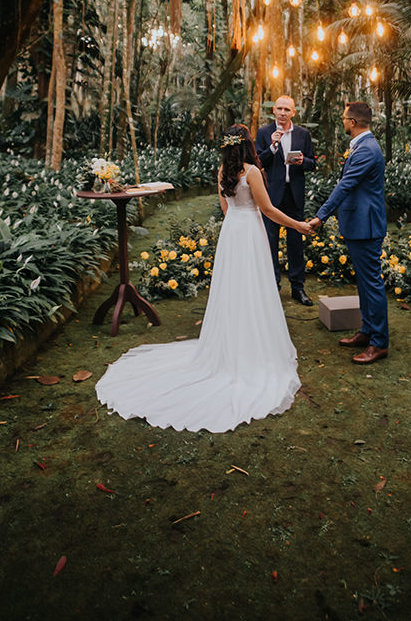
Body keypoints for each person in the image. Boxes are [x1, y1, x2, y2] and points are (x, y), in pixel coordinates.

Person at [95, 125, 312, 433]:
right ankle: (251, 349)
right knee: (252, 290)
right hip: (249, 233)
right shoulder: (251, 173)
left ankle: (232, 344)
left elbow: (226, 209)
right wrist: (298, 225)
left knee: (232, 291)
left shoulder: (223, 171)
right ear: (249, 145)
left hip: (232, 233)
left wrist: (240, 218)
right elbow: (267, 210)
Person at [308, 102, 389, 365]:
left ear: (353, 122)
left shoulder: (366, 150)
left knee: (371, 284)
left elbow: (345, 185)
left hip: (366, 227)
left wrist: (321, 215)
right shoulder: (362, 146)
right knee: (364, 284)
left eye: (344, 118)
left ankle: (379, 343)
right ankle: (367, 331)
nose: (342, 121)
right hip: (359, 225)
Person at [255, 95, 317, 306]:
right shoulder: (264, 133)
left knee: (295, 243)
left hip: (294, 195)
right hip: (272, 196)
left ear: (293, 113)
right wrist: (273, 147)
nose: (282, 112)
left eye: (286, 109)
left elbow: (312, 162)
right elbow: (257, 163)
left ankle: (297, 288)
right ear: (274, 111)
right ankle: (272, 287)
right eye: (279, 108)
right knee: (270, 242)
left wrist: (302, 161)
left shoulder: (303, 134)